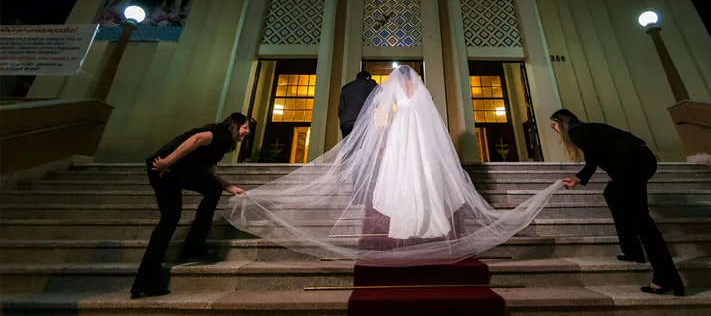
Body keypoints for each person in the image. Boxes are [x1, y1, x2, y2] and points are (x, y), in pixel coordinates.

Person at [220, 65, 563, 266]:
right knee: (422, 169)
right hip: (421, 133)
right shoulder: (421, 90)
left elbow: (381, 115)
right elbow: (432, 118)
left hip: (401, 131)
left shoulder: (390, 88)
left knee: (402, 170)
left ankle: (404, 218)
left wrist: (379, 136)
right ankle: (430, 216)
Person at [552, 109, 685, 296]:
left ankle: (666, 277)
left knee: (642, 221)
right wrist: (586, 177)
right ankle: (632, 250)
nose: (554, 129)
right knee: (612, 194)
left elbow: (596, 156)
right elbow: (597, 155)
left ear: (562, 122)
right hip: (638, 160)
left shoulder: (575, 131)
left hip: (633, 163)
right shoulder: (585, 130)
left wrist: (601, 174)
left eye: (554, 125)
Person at [130, 113, 250, 299]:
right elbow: (196, 140)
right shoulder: (216, 133)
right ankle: (192, 247)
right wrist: (166, 162)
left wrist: (231, 188)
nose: (247, 132)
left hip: (173, 171)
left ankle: (147, 282)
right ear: (234, 126)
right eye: (245, 127)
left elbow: (211, 174)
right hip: (165, 169)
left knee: (173, 217)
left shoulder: (221, 145)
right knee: (171, 219)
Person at [337, 70, 378, 139]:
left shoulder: (345, 87)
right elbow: (381, 95)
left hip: (346, 122)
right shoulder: (370, 83)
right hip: (361, 120)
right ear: (368, 77)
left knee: (349, 145)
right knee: (362, 144)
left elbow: (341, 108)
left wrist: (343, 120)